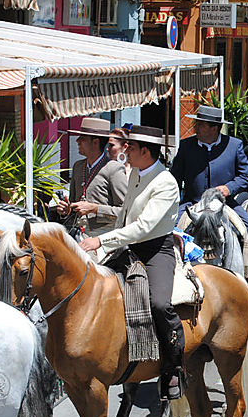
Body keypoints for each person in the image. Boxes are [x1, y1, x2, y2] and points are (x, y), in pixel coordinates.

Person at [79, 125, 186, 400]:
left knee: (159, 303)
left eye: (130, 147)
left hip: (156, 250)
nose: (125, 151)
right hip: (129, 246)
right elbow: (124, 216)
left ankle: (173, 366)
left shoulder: (165, 182)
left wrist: (102, 241)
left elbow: (144, 227)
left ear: (145, 151)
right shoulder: (137, 173)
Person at [171, 106, 248, 275]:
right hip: (192, 202)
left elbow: (246, 175)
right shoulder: (186, 146)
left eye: (200, 124)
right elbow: (174, 178)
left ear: (214, 128)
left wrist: (229, 188)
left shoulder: (234, 145)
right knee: (171, 233)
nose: (195, 127)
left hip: (225, 204)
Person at [57, 117, 128, 238]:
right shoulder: (78, 167)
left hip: (103, 237)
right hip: (78, 233)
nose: (77, 141)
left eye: (83, 138)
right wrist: (67, 210)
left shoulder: (113, 169)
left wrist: (95, 209)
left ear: (95, 142)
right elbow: (74, 205)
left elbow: (125, 212)